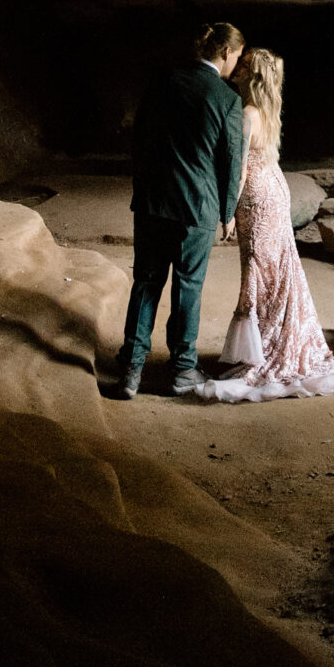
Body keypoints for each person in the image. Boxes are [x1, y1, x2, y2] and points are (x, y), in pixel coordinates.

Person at [198, 47, 334, 403]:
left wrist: (227, 212)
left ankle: (265, 352)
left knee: (259, 271)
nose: (238, 70)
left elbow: (241, 167)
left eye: (244, 67)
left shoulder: (247, 112)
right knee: (279, 268)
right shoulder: (267, 109)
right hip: (276, 187)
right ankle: (270, 343)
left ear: (253, 76)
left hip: (258, 194)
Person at [116, 21, 245, 398]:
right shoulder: (226, 99)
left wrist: (145, 189)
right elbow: (231, 161)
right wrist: (228, 211)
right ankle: (182, 371)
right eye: (236, 57)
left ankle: (130, 371)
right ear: (225, 52)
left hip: (154, 203)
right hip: (198, 208)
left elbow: (139, 139)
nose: (235, 65)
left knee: (146, 282)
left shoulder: (162, 82)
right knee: (188, 287)